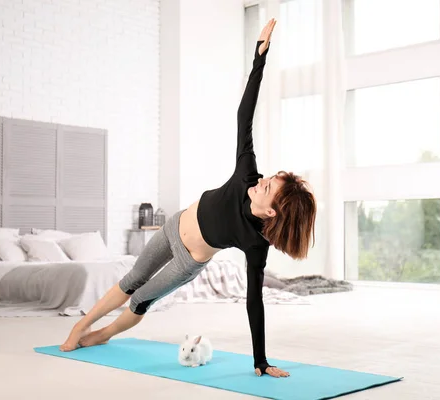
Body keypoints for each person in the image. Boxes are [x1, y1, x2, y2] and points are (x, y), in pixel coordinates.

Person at [59, 18, 317, 379]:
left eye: (268, 187)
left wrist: (260, 360)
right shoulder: (247, 173)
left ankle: (103, 333)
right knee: (132, 278)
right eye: (269, 178)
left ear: (272, 209)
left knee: (141, 299)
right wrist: (260, 57)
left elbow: (254, 302)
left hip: (188, 262)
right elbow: (245, 117)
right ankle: (80, 326)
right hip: (173, 227)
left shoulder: (256, 243)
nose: (261, 182)